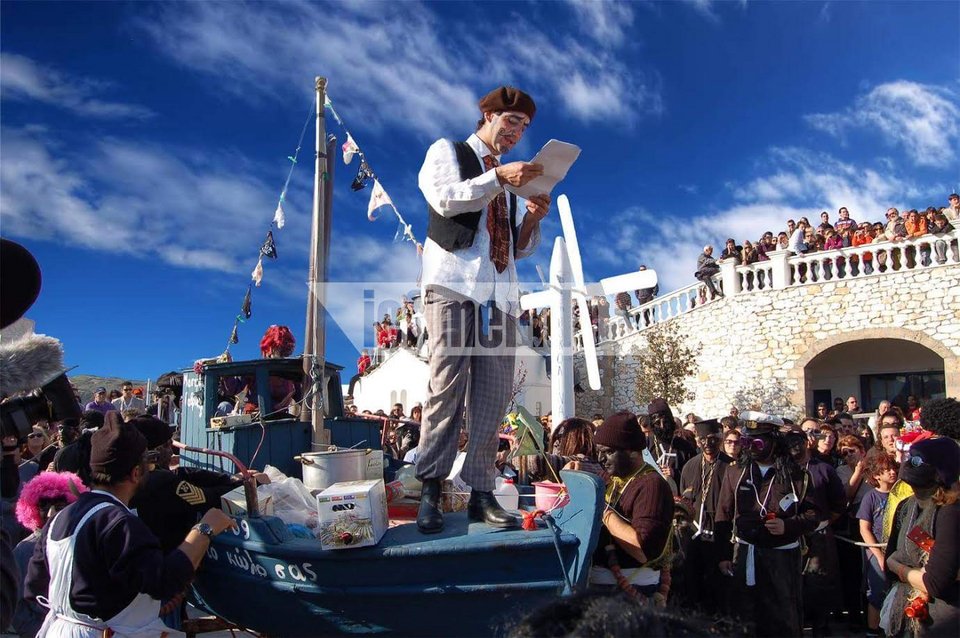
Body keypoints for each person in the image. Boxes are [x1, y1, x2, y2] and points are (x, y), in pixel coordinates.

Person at [414, 85, 549, 534]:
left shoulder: (508, 184)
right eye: (511, 121)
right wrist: (498, 179)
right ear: (488, 116)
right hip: (452, 284)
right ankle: (431, 489)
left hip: (500, 295)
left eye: (523, 127)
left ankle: (481, 493)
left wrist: (532, 218)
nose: (516, 132)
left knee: (493, 397)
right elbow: (445, 198)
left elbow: (516, 248)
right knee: (446, 387)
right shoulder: (448, 151)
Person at [24, 419, 237, 637]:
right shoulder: (118, 523)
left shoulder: (60, 518)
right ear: (136, 473)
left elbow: (34, 586)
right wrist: (204, 529)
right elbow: (163, 580)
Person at [714, 413, 821, 638]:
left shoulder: (796, 476)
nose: (752, 448)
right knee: (746, 617)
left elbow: (813, 516)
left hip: (782, 559)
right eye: (748, 441)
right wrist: (723, 555)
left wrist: (788, 525)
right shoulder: (735, 472)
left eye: (758, 442)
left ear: (774, 442)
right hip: (746, 554)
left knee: (783, 618)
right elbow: (723, 514)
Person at [589, 412, 674, 602]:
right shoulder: (614, 479)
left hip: (632, 591)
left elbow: (641, 549)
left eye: (609, 452)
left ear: (633, 451)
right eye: (599, 452)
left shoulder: (651, 485)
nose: (601, 458)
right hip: (604, 586)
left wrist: (603, 510)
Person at [883, 437, 959, 637]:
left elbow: (936, 583)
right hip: (908, 613)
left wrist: (897, 566)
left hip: (944, 621)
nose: (909, 464)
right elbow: (888, 566)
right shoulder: (906, 506)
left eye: (917, 461)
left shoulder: (951, 511)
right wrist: (897, 567)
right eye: (910, 458)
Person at [11, 471, 88, 638]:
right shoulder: (23, 550)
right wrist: (40, 632)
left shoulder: (82, 543)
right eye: (44, 506)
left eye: (59, 506)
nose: (51, 513)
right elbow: (17, 606)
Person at [677, 418, 732, 614]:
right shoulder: (690, 466)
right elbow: (684, 499)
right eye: (702, 440)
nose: (707, 444)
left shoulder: (730, 467)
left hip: (720, 533)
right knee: (692, 579)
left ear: (720, 439)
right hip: (693, 534)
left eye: (712, 439)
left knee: (717, 582)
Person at [856, 450, 899, 638]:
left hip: (897, 550)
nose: (892, 472)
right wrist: (879, 556)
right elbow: (864, 529)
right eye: (886, 469)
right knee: (877, 592)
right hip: (877, 550)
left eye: (893, 468)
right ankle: (872, 630)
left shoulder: (901, 495)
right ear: (876, 475)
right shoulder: (871, 497)